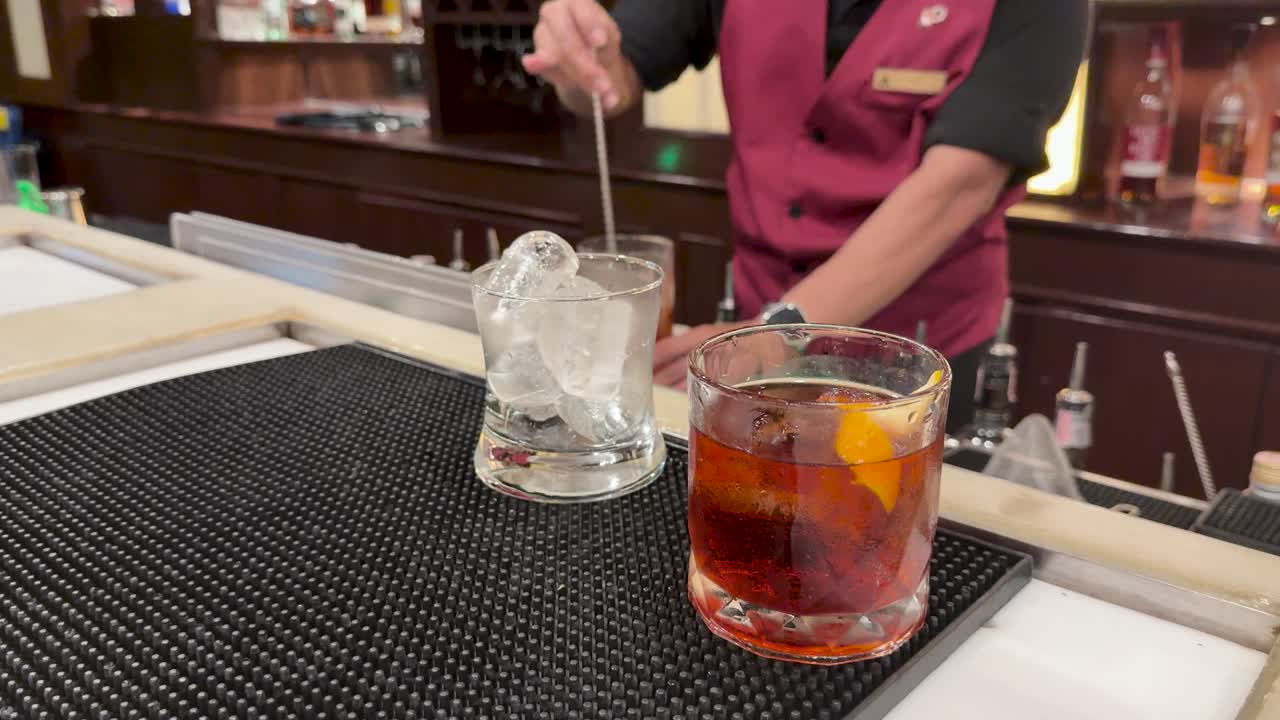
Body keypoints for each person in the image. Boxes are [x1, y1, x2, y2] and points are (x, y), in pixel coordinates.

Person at [523, 0, 1088, 431]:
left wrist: (782, 332)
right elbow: (613, 79)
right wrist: (579, 56)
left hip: (919, 348)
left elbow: (960, 185)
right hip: (756, 324)